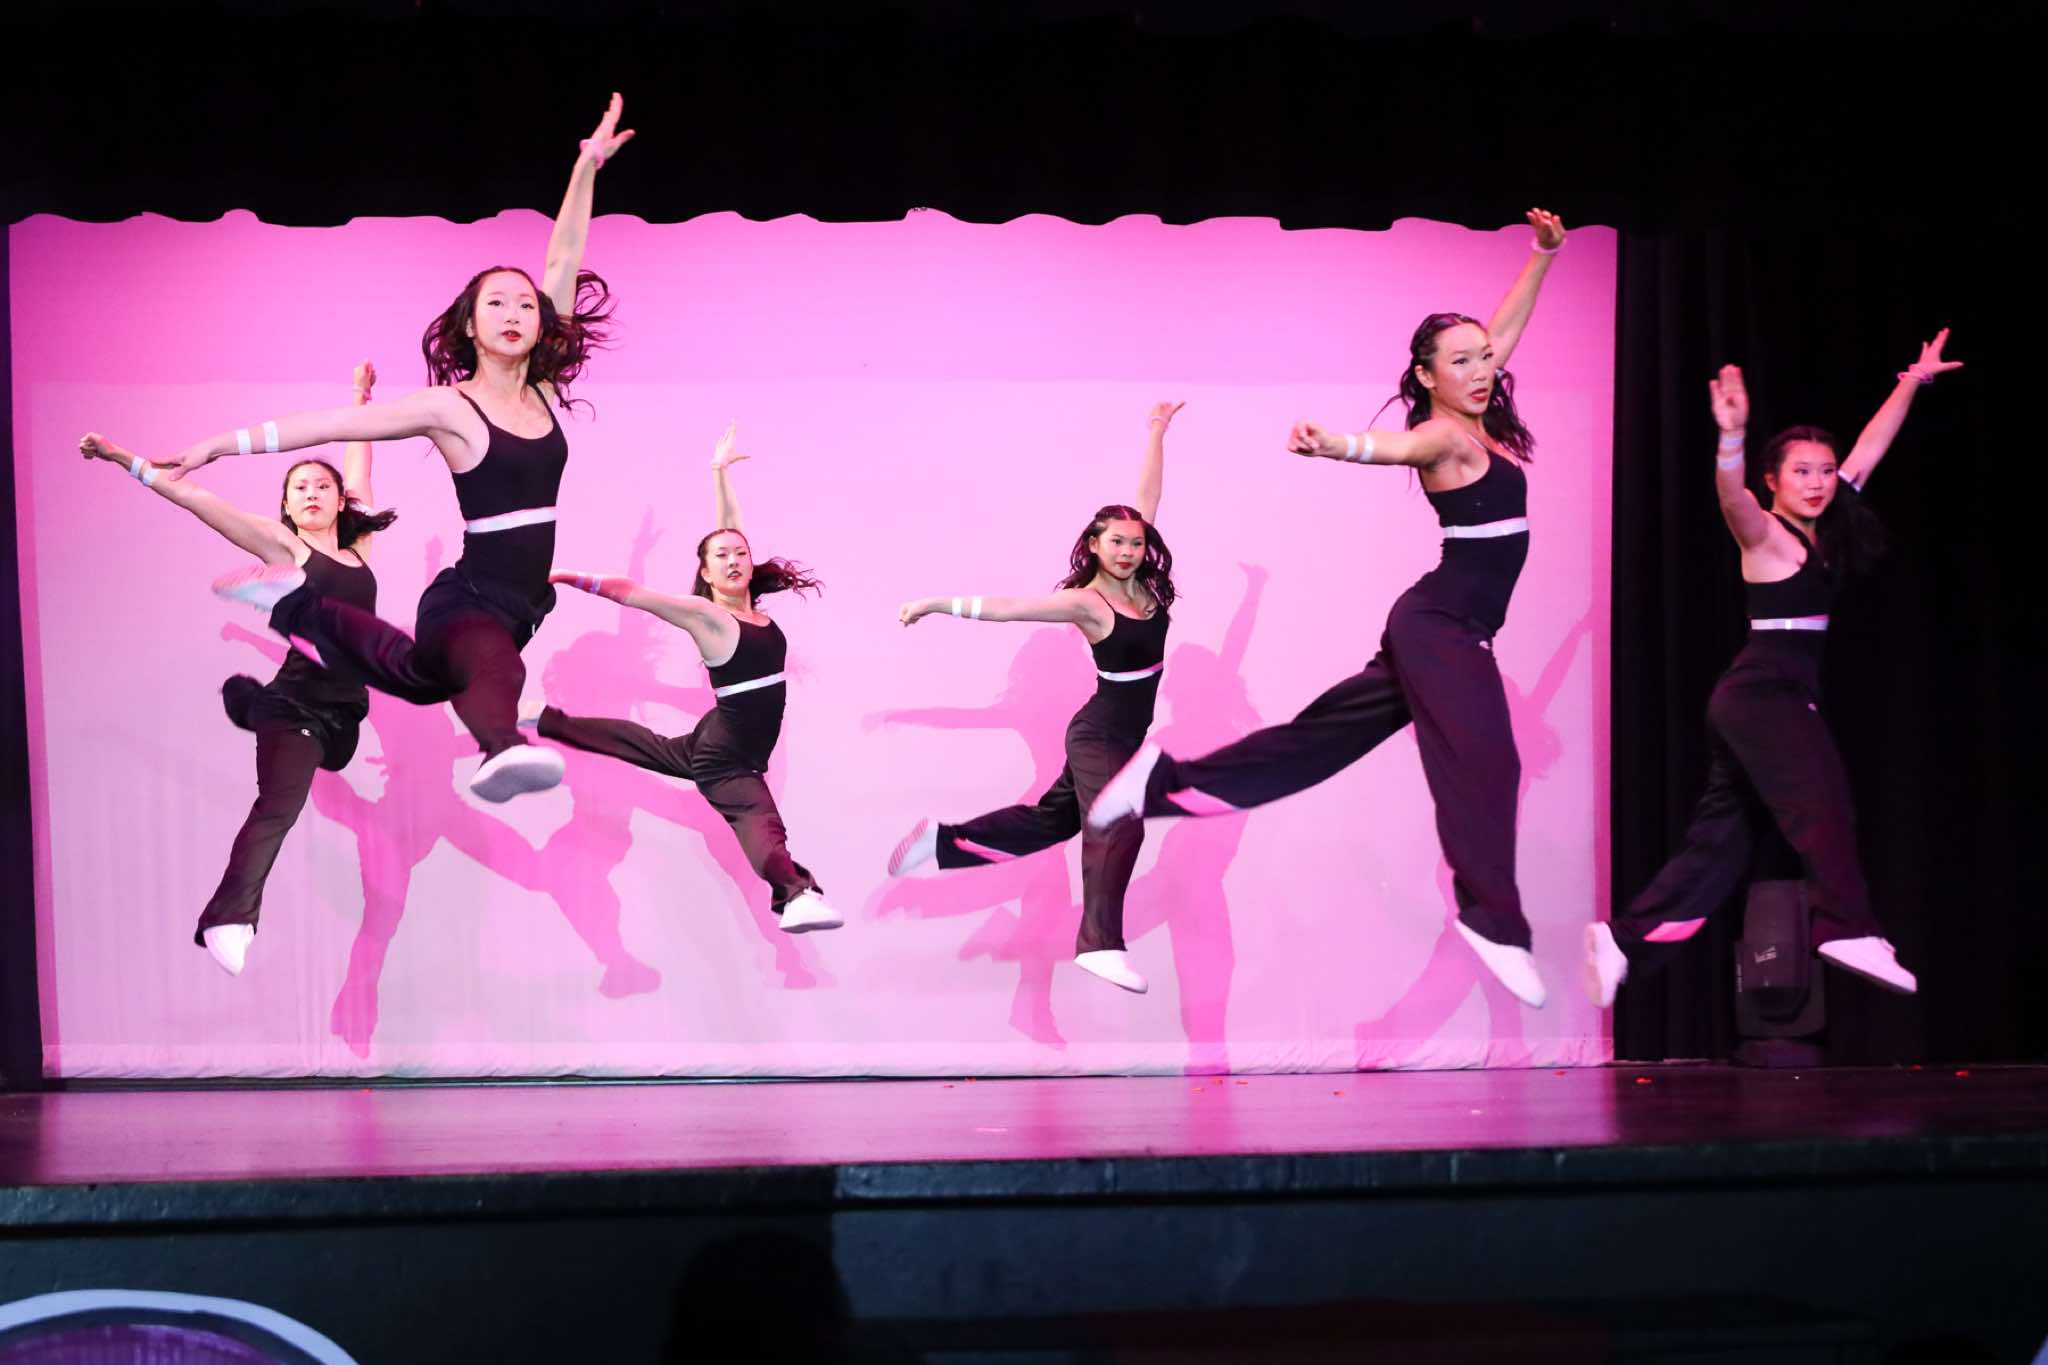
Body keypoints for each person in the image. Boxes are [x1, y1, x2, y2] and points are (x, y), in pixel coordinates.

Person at [1087, 211, 1572, 1008]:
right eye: (1461, 361)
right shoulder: (1444, 437)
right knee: (1489, 760)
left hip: (1437, 625)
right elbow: (1392, 447)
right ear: (1427, 377)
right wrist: (1337, 444)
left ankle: (1158, 784)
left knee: (1316, 745)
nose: (1483, 369)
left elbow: (1505, 330)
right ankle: (1493, 921)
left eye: (1485, 357)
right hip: (1444, 627)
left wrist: (1542, 255)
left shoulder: (1476, 410)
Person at [162, 94, 634, 804]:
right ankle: (503, 749)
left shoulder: (540, 389)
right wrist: (219, 445)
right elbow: (328, 425)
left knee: (419, 680)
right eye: (495, 303)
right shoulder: (450, 407)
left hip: (519, 605)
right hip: (470, 601)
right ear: (469, 326)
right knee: (495, 672)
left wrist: (586, 165)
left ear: (542, 322)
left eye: (525, 304)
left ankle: (293, 607)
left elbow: (564, 254)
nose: (513, 312)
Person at [1585, 333, 1961, 1006]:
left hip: (1758, 699)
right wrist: (1731, 435)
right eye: (1801, 472)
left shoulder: (1828, 522)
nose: (1817, 482)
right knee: (1823, 802)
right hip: (1766, 696)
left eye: (1825, 471)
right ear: (1773, 481)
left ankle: (1625, 939)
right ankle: (1846, 926)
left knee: (1723, 843)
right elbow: (1730, 498)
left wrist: (1914, 379)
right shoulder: (1764, 534)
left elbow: (1871, 447)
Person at [79, 360, 395, 975]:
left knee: (327, 747)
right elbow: (195, 498)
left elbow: (361, 457)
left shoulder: (360, 547)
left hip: (345, 718)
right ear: (286, 505)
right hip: (298, 706)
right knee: (279, 807)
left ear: (340, 501)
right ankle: (229, 918)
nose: (311, 492)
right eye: (298, 487)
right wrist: (121, 457)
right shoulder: (284, 545)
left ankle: (246, 700)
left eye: (321, 485)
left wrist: (359, 397)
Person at [888, 402, 1183, 993]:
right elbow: (1008, 608)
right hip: (1100, 730)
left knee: (1052, 822)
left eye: (1135, 542)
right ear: (1094, 546)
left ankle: (940, 843)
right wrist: (934, 603)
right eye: (1116, 542)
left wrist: (1156, 430)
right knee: (1120, 821)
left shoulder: (1143, 584)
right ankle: (1100, 945)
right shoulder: (1087, 602)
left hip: (1125, 734)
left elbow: (1148, 496)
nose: (1127, 550)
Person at [534, 423, 842, 933]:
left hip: (717, 736)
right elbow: (632, 592)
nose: (734, 560)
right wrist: (564, 576)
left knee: (644, 745)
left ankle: (546, 721)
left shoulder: (748, 607)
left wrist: (719, 473)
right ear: (705, 573)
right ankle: (795, 896)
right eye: (721, 557)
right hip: (727, 756)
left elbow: (729, 530)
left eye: (740, 554)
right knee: (761, 821)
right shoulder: (709, 618)